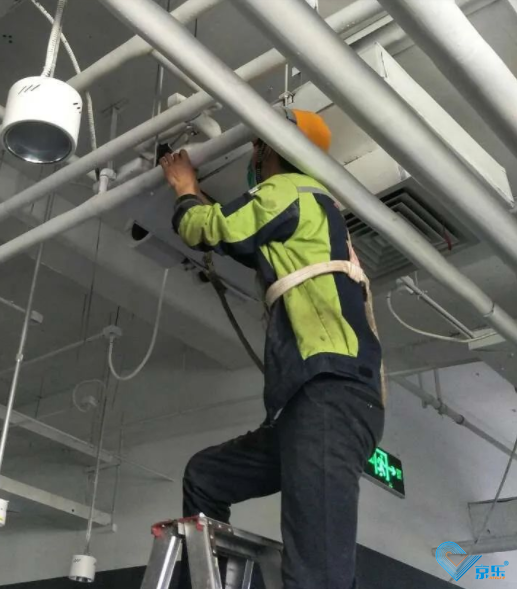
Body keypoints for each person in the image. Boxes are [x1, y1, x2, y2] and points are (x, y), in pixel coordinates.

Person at [159, 109, 385, 589]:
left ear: (268, 149)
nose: (253, 156)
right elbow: (241, 229)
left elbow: (207, 229)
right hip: (305, 407)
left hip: (328, 395)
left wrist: (184, 187)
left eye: (257, 146)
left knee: (317, 575)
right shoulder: (311, 214)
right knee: (206, 475)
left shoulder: (293, 190)